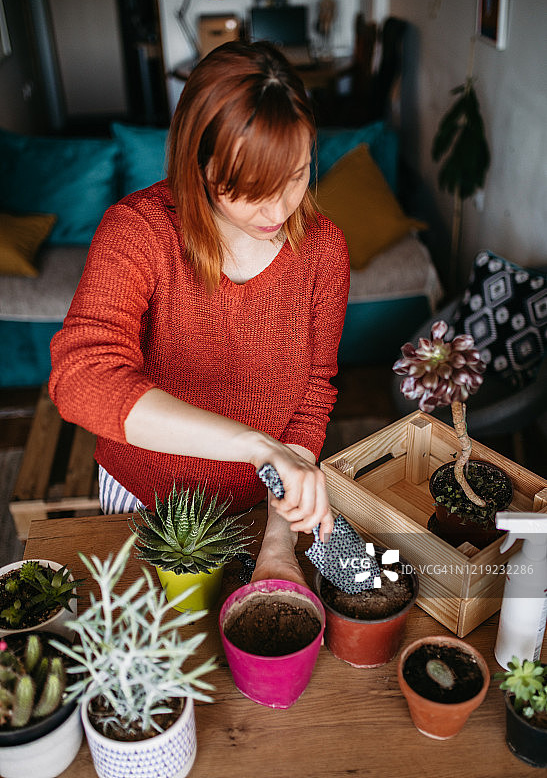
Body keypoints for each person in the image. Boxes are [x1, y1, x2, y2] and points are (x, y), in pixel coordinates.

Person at [48, 41, 350, 586]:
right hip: (145, 497)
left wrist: (278, 541)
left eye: (296, 175)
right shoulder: (139, 231)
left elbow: (313, 391)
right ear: (200, 163)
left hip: (263, 502)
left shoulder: (323, 251)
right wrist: (257, 446)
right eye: (251, 187)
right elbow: (81, 378)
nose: (278, 209)